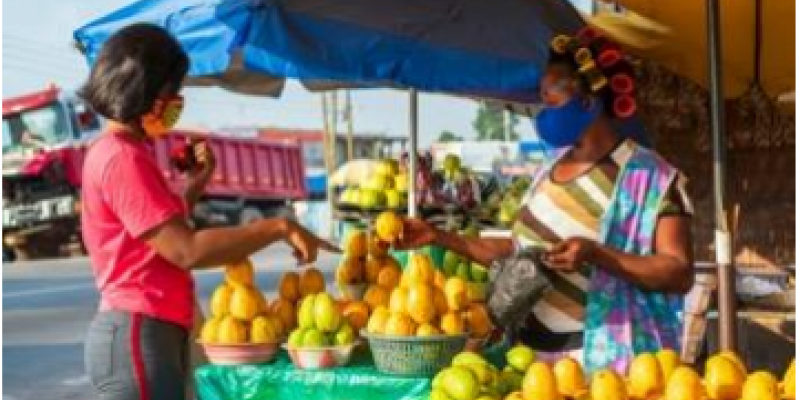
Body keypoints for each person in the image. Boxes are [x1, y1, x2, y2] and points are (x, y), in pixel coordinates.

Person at [396, 28, 694, 373]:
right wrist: (439, 237)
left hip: (605, 366)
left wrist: (597, 254)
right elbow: (517, 248)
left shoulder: (654, 178)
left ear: (588, 101)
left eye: (550, 102)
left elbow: (678, 272)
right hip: (532, 363)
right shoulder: (548, 169)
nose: (542, 112)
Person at [79, 24, 338, 400]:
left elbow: (155, 233)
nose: (175, 105)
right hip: (137, 334)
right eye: (172, 94)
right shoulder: (121, 158)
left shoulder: (124, 152)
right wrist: (278, 227)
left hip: (150, 330)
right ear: (142, 89)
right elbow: (186, 250)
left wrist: (195, 185)